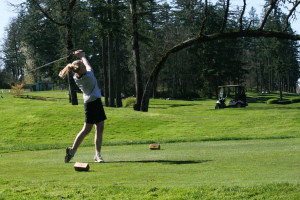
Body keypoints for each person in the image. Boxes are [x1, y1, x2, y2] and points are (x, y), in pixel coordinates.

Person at [59, 50, 107, 163]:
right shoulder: (89, 76)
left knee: (88, 129)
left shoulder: (76, 77)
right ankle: (97, 155)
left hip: (88, 104)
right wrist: (82, 55)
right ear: (82, 69)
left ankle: (73, 151)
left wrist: (79, 58)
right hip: (95, 103)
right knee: (98, 128)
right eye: (82, 66)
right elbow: (87, 64)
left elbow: (82, 65)